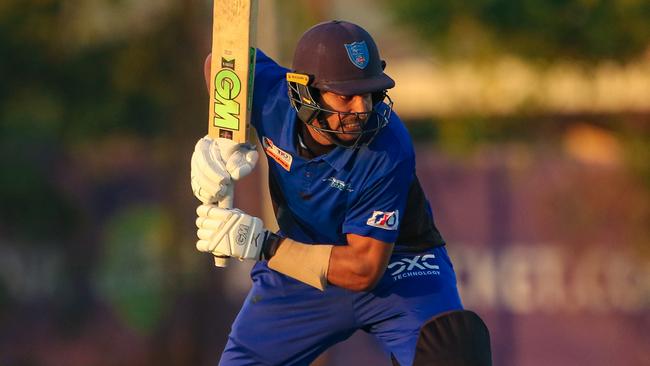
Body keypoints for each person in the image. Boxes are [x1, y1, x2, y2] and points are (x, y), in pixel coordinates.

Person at [191, 20, 489, 366]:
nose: (362, 109)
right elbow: (222, 62)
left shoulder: (389, 147)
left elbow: (363, 269)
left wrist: (263, 245)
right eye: (347, 96)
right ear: (304, 92)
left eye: (369, 93)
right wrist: (222, 138)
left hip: (400, 265)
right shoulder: (271, 95)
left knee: (453, 356)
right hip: (302, 264)